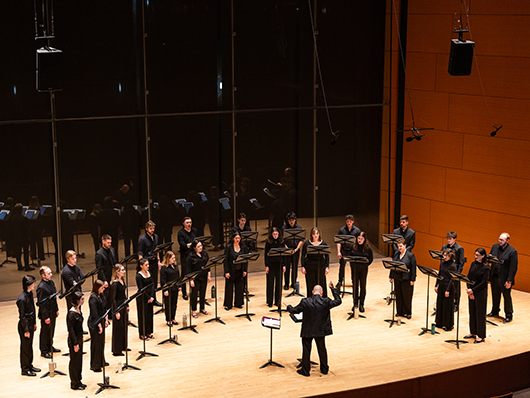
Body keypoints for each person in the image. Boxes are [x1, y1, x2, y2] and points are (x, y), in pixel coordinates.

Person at [286, 282, 342, 377]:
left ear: (312, 292)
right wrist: (333, 290)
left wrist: (288, 306)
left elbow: (294, 311)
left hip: (308, 330)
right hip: (321, 330)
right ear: (321, 292)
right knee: (322, 349)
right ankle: (324, 369)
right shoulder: (326, 301)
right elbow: (338, 301)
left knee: (306, 350)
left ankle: (305, 370)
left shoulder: (305, 301)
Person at [488, 232, 518, 323]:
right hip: (494, 276)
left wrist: (509, 280)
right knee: (495, 294)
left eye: (502, 240)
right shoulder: (494, 247)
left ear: (507, 241)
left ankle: (509, 315)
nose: (499, 241)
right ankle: (495, 311)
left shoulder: (512, 251)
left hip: (505, 278)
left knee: (506, 297)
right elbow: (489, 258)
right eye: (499, 239)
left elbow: (513, 267)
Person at [465, 248, 490, 344]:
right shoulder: (473, 264)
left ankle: (481, 335)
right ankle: (473, 332)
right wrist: (469, 290)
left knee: (480, 314)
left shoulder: (486, 268)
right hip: (471, 291)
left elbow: (484, 282)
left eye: (478, 255)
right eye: (475, 254)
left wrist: (473, 290)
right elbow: (469, 277)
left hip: (480, 293)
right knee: (472, 312)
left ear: (483, 256)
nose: (476, 257)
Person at [17, 275, 40, 376]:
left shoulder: (30, 294)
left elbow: (32, 310)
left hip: (30, 323)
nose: (35, 284)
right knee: (25, 348)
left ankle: (29, 365)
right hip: (24, 325)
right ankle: (25, 369)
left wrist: (34, 323)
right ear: (28, 285)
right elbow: (22, 316)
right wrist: (26, 330)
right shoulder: (22, 299)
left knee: (29, 346)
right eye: (33, 283)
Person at [390, 237, 417, 319]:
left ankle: (408, 312)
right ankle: (400, 311)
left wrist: (413, 279)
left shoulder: (410, 255)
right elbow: (393, 265)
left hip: (406, 278)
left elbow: (413, 268)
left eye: (401, 246)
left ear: (405, 246)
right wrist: (391, 276)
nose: (399, 248)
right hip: (397, 277)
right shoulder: (396, 254)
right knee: (398, 294)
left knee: (407, 296)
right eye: (398, 246)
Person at [36, 266, 60, 358]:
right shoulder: (41, 288)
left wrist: (56, 309)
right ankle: (44, 350)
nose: (51, 274)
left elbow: (54, 298)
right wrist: (46, 316)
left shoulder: (51, 283)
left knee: (51, 330)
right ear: (43, 275)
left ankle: (50, 346)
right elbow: (42, 304)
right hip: (46, 312)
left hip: (52, 310)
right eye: (49, 273)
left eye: (51, 272)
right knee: (45, 331)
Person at [138, 220, 162, 306]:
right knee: (148, 282)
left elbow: (157, 249)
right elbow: (140, 253)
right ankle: (147, 299)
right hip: (147, 263)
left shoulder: (156, 237)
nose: (152, 230)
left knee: (154, 282)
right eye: (151, 228)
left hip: (154, 262)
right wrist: (142, 266)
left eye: (153, 228)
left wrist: (159, 261)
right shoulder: (142, 239)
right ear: (146, 229)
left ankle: (154, 299)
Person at [301, 227, 330, 298]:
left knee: (321, 283)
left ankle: (323, 300)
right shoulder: (307, 243)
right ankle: (311, 299)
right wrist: (302, 266)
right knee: (310, 283)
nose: (315, 235)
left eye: (317, 233)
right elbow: (302, 255)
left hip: (321, 265)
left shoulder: (323, 243)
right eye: (314, 234)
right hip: (309, 266)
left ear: (319, 234)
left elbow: (327, 256)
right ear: (311, 235)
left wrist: (327, 267)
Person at [223, 232, 248, 310]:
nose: (238, 240)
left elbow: (245, 259)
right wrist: (226, 271)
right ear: (233, 238)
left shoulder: (243, 247)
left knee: (239, 287)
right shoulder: (229, 247)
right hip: (231, 270)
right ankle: (228, 304)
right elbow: (225, 260)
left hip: (240, 269)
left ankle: (238, 303)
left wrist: (245, 270)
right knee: (229, 287)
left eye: (239, 238)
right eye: (236, 238)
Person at [349, 231, 373, 312]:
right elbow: (349, 257)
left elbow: (371, 259)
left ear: (364, 239)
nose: (359, 240)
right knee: (355, 286)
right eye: (358, 238)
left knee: (363, 286)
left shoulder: (368, 248)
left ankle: (361, 304)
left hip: (363, 270)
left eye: (361, 239)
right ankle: (355, 304)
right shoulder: (352, 246)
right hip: (354, 269)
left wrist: (365, 266)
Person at [441, 231, 465, 312]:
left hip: (454, 271)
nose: (448, 240)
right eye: (448, 239)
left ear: (455, 239)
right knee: (445, 286)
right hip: (445, 270)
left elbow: (461, 262)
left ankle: (456, 305)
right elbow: (441, 259)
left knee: (456, 289)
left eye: (450, 239)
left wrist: (457, 274)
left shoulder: (459, 248)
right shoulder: (444, 247)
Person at [187, 240, 211, 318]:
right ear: (194, 248)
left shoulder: (205, 254)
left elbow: (208, 265)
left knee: (203, 293)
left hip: (203, 276)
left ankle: (202, 308)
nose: (201, 248)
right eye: (198, 246)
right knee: (194, 295)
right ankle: (193, 310)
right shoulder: (190, 256)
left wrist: (209, 275)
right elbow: (188, 269)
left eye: (201, 246)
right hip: (195, 278)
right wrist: (191, 280)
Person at [88, 280, 108, 372]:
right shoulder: (93, 298)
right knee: (96, 343)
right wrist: (99, 325)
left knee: (101, 342)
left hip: (101, 320)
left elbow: (105, 308)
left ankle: (101, 361)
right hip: (94, 323)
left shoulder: (101, 295)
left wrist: (106, 320)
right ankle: (95, 365)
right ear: (97, 288)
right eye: (102, 288)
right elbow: (94, 313)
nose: (103, 289)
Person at [67, 291, 86, 390]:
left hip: (78, 338)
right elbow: (71, 330)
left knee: (79, 361)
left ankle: (79, 380)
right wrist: (75, 343)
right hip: (73, 340)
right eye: (81, 299)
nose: (83, 301)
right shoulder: (71, 314)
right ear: (76, 300)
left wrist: (81, 337)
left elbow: (79, 327)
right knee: (74, 361)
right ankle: (74, 383)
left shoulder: (78, 309)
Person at [336, 215, 360, 288]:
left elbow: (359, 241)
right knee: (342, 267)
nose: (348, 223)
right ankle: (340, 281)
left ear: (353, 222)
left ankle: (354, 282)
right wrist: (338, 251)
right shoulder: (342, 230)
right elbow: (338, 241)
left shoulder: (357, 230)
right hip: (344, 250)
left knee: (353, 267)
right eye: (347, 221)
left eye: (350, 221)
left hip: (353, 251)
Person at [435, 248, 457, 331]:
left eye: (447, 255)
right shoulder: (442, 263)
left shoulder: (453, 265)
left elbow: (452, 279)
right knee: (440, 304)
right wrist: (436, 285)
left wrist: (447, 290)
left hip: (449, 287)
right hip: (442, 285)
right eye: (444, 255)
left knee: (447, 306)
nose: (445, 257)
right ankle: (440, 323)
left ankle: (448, 325)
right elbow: (439, 274)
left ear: (451, 256)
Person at [109, 264, 128, 356]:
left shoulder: (122, 281)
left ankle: (123, 346)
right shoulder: (114, 284)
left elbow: (123, 295)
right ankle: (116, 350)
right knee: (118, 328)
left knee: (124, 326)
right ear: (117, 272)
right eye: (122, 270)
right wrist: (116, 311)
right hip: (118, 306)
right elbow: (113, 299)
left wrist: (127, 305)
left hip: (123, 305)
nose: (124, 271)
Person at [177, 217, 198, 300]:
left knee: (195, 272)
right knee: (185, 274)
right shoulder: (181, 233)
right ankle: (184, 292)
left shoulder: (194, 231)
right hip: (185, 255)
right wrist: (190, 245)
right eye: (187, 222)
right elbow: (182, 244)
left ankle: (195, 291)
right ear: (183, 223)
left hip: (194, 255)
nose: (189, 224)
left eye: (190, 222)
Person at [264, 227, 286, 307]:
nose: (275, 236)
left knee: (279, 283)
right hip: (271, 265)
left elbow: (284, 254)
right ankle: (270, 301)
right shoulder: (268, 242)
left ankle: (278, 301)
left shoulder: (281, 242)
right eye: (274, 234)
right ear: (271, 234)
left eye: (276, 234)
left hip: (279, 264)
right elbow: (266, 254)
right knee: (270, 283)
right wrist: (266, 265)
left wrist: (284, 265)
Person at [282, 212, 303, 290]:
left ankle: (293, 282)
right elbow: (282, 240)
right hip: (287, 250)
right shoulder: (284, 228)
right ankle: (286, 283)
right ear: (287, 220)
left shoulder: (299, 228)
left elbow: (301, 240)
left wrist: (296, 249)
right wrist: (286, 248)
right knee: (286, 267)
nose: (291, 221)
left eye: (293, 219)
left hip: (296, 250)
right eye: (290, 220)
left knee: (295, 267)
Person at [160, 251, 180, 326]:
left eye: (174, 258)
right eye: (172, 258)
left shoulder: (175, 266)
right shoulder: (164, 268)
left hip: (175, 287)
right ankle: (168, 320)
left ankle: (173, 317)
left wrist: (179, 285)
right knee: (168, 305)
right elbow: (163, 280)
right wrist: (165, 289)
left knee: (174, 303)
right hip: (168, 289)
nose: (174, 259)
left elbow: (178, 276)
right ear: (168, 259)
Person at [136, 258, 155, 340]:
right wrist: (149, 297)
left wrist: (152, 296)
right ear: (141, 266)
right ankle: (142, 334)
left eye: (148, 264)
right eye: (146, 265)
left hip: (150, 297)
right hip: (142, 298)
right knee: (143, 316)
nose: (148, 266)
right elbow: (141, 289)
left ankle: (149, 332)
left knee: (149, 315)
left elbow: (152, 285)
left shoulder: (149, 273)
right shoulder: (139, 276)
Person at [62, 250, 85, 314]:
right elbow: (73, 285)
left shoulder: (76, 267)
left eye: (75, 258)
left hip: (78, 293)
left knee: (79, 311)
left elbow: (83, 278)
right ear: (67, 259)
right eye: (72, 259)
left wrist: (77, 282)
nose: (75, 260)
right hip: (71, 295)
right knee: (72, 313)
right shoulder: (66, 271)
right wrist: (77, 282)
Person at [10, 203, 31, 271]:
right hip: (24, 237)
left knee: (18, 251)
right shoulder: (24, 219)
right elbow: (27, 229)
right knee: (25, 251)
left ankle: (19, 265)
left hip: (16, 237)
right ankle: (27, 265)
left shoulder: (13, 218)